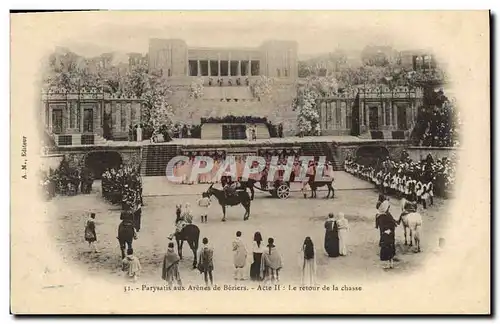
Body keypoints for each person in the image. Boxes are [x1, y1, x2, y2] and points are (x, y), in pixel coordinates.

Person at [375, 203, 398, 269]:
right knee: (389, 248)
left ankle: (390, 263)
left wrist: (386, 230)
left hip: (387, 234)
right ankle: (390, 263)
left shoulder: (380, 216)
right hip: (388, 234)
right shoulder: (386, 215)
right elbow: (392, 223)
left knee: (387, 248)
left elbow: (381, 226)